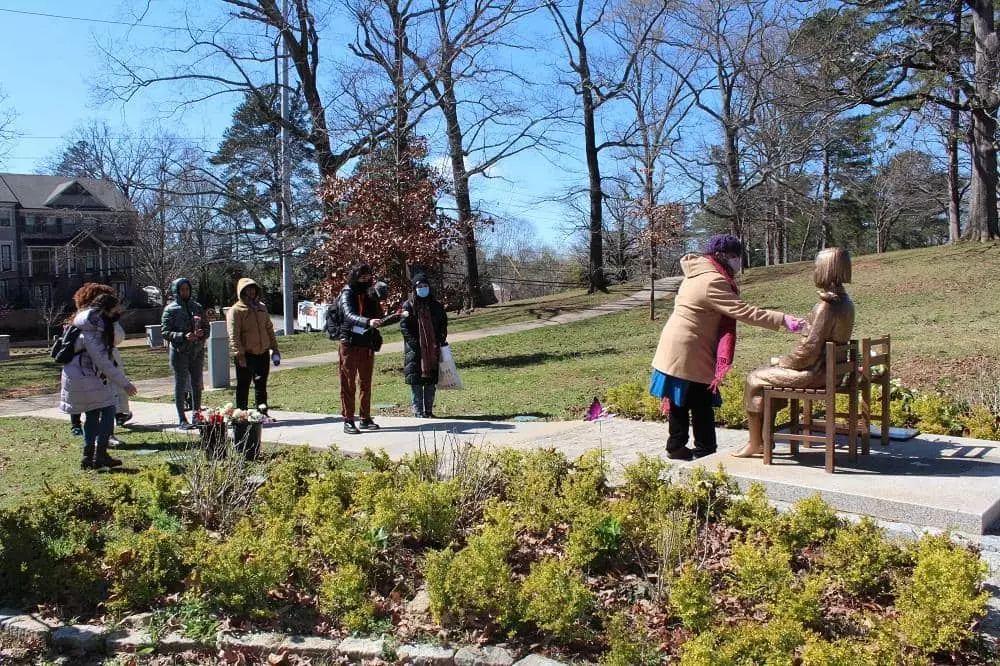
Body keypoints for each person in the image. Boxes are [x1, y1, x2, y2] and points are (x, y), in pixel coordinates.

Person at [649, 234, 806, 461]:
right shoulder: (713, 281)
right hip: (689, 348)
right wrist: (782, 319)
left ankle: (677, 447)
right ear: (721, 256)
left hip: (679, 345)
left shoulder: (697, 273)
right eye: (734, 256)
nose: (738, 261)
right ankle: (704, 451)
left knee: (680, 399)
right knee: (699, 401)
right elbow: (744, 311)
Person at [736, 247, 855, 458]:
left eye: (816, 267)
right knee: (767, 383)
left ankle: (757, 443)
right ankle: (764, 439)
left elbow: (808, 351)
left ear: (827, 270)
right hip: (831, 370)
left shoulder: (825, 308)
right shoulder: (846, 303)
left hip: (815, 374)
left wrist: (782, 361)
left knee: (754, 379)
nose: (814, 271)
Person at [59, 291, 138, 469]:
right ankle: (100, 454)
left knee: (93, 414)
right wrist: (125, 383)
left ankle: (88, 458)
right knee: (109, 409)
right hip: (83, 376)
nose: (118, 313)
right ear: (107, 310)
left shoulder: (87, 323)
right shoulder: (92, 329)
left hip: (78, 375)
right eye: (116, 309)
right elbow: (103, 361)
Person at [66, 283, 131, 440]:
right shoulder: (95, 323)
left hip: (83, 371)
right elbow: (105, 353)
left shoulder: (81, 319)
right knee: (104, 407)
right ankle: (102, 444)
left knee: (95, 411)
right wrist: (125, 383)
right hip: (92, 371)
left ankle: (92, 451)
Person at [336, 263, 385, 434]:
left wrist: (378, 300)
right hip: (349, 342)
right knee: (348, 382)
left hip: (366, 342)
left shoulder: (369, 292)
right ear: (355, 277)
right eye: (362, 277)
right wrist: (367, 321)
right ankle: (348, 419)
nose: (366, 280)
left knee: (366, 382)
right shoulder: (347, 292)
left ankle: (365, 418)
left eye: (368, 277)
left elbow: (378, 314)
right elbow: (348, 315)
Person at [227, 277, 280, 416]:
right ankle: (241, 416)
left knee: (261, 386)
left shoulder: (261, 308)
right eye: (248, 290)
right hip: (246, 355)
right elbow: (234, 335)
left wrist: (274, 348)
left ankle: (262, 413)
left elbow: (269, 329)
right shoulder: (236, 310)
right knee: (243, 386)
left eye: (253, 289)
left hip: (262, 353)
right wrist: (240, 355)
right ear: (242, 292)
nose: (251, 292)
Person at [161, 278, 210, 428]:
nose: (185, 292)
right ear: (176, 291)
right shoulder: (170, 309)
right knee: (180, 385)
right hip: (179, 352)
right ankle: (182, 419)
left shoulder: (197, 307)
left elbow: (207, 328)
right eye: (182, 289)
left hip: (196, 351)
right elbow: (165, 332)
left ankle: (197, 415)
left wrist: (202, 333)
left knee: (197, 384)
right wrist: (182, 336)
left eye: (187, 289)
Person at [400, 273, 448, 418]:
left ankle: (429, 411)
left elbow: (443, 324)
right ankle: (418, 412)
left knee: (430, 381)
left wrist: (439, 339)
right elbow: (404, 327)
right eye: (419, 286)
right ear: (415, 289)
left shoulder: (436, 306)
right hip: (414, 350)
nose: (423, 289)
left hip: (432, 349)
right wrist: (414, 343)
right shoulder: (408, 306)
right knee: (416, 382)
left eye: (425, 286)